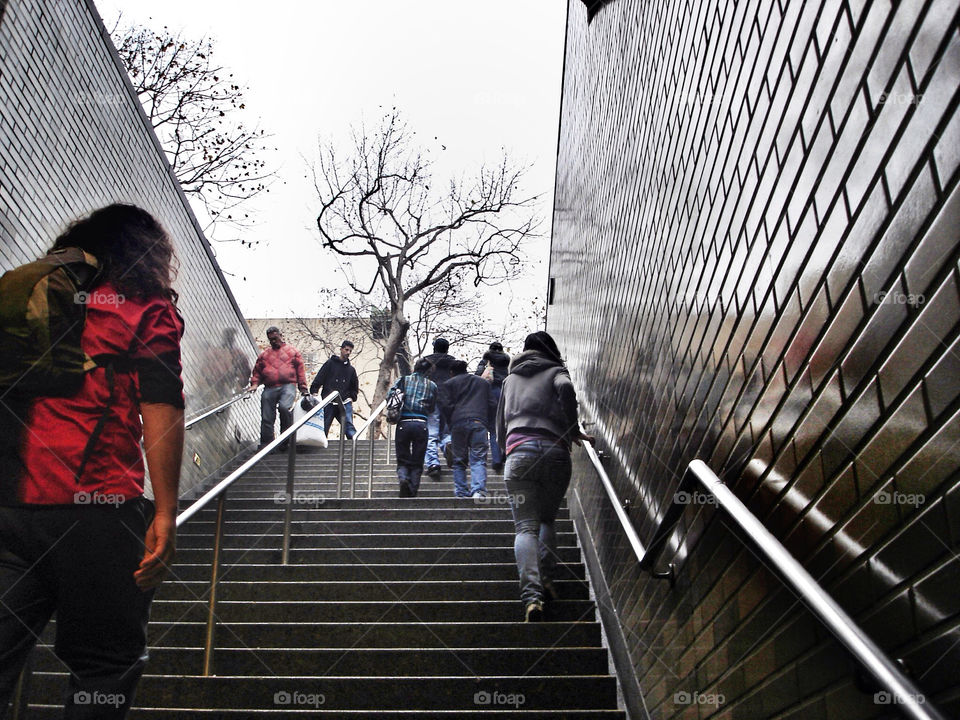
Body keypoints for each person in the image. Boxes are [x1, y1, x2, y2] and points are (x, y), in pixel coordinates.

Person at [0, 204, 185, 717]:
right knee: (105, 665)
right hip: (95, 506)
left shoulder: (32, 294)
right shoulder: (143, 305)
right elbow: (161, 404)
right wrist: (165, 513)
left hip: (9, 506)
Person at [496, 331, 594, 622]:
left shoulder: (510, 379)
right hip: (554, 451)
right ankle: (548, 579)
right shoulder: (556, 370)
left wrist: (507, 451)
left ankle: (531, 597)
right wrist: (572, 429)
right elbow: (565, 389)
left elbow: (500, 422)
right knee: (547, 520)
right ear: (550, 349)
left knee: (525, 527)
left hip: (518, 455)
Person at [440, 360, 497, 498]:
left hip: (458, 424)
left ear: (451, 372)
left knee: (458, 460)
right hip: (479, 422)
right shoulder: (483, 383)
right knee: (478, 458)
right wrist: (487, 421)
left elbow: (446, 406)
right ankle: (478, 490)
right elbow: (492, 404)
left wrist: (450, 422)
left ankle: (461, 492)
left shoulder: (449, 384)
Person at [248, 327, 309, 450]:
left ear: (281, 336)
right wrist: (254, 384)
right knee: (267, 416)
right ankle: (267, 444)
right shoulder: (264, 355)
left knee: (284, 408)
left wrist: (303, 388)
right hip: (269, 387)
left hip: (288, 385)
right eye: (271, 340)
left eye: (275, 339)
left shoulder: (293, 352)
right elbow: (257, 372)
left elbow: (300, 371)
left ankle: (285, 440)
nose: (273, 342)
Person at [388, 358, 438, 497]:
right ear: (428, 371)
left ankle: (403, 479)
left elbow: (390, 396)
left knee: (403, 458)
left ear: (415, 367)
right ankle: (413, 488)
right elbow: (433, 407)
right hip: (421, 424)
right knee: (417, 460)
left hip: (404, 423)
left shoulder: (403, 380)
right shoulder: (432, 385)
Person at [309, 340, 359, 439]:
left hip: (344, 401)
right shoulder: (330, 364)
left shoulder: (351, 370)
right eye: (346, 350)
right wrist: (314, 391)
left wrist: (351, 397)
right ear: (341, 349)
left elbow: (354, 387)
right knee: (324, 426)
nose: (348, 353)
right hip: (329, 401)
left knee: (349, 426)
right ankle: (320, 447)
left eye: (350, 351)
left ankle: (355, 446)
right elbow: (320, 377)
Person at [474, 341, 511, 472]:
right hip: (505, 393)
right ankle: (504, 453)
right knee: (502, 426)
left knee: (490, 427)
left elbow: (478, 376)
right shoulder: (507, 361)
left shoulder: (486, 360)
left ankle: (496, 460)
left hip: (489, 393)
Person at [422, 337, 455, 477]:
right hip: (449, 400)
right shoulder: (453, 363)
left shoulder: (426, 362)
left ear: (434, 348)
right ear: (447, 349)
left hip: (431, 400)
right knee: (447, 431)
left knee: (431, 432)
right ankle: (448, 444)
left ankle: (433, 463)